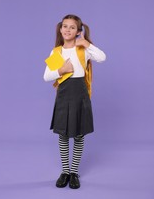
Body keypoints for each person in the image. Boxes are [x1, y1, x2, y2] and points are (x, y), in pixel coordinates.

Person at [43, 14, 106, 189]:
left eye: (72, 27)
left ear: (79, 31)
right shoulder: (57, 52)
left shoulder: (82, 50)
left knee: (79, 134)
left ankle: (74, 172)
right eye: (65, 26)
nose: (68, 30)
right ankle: (65, 172)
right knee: (63, 134)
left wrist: (86, 43)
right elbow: (46, 76)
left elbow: (102, 57)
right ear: (60, 29)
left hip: (80, 95)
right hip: (64, 95)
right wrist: (62, 70)